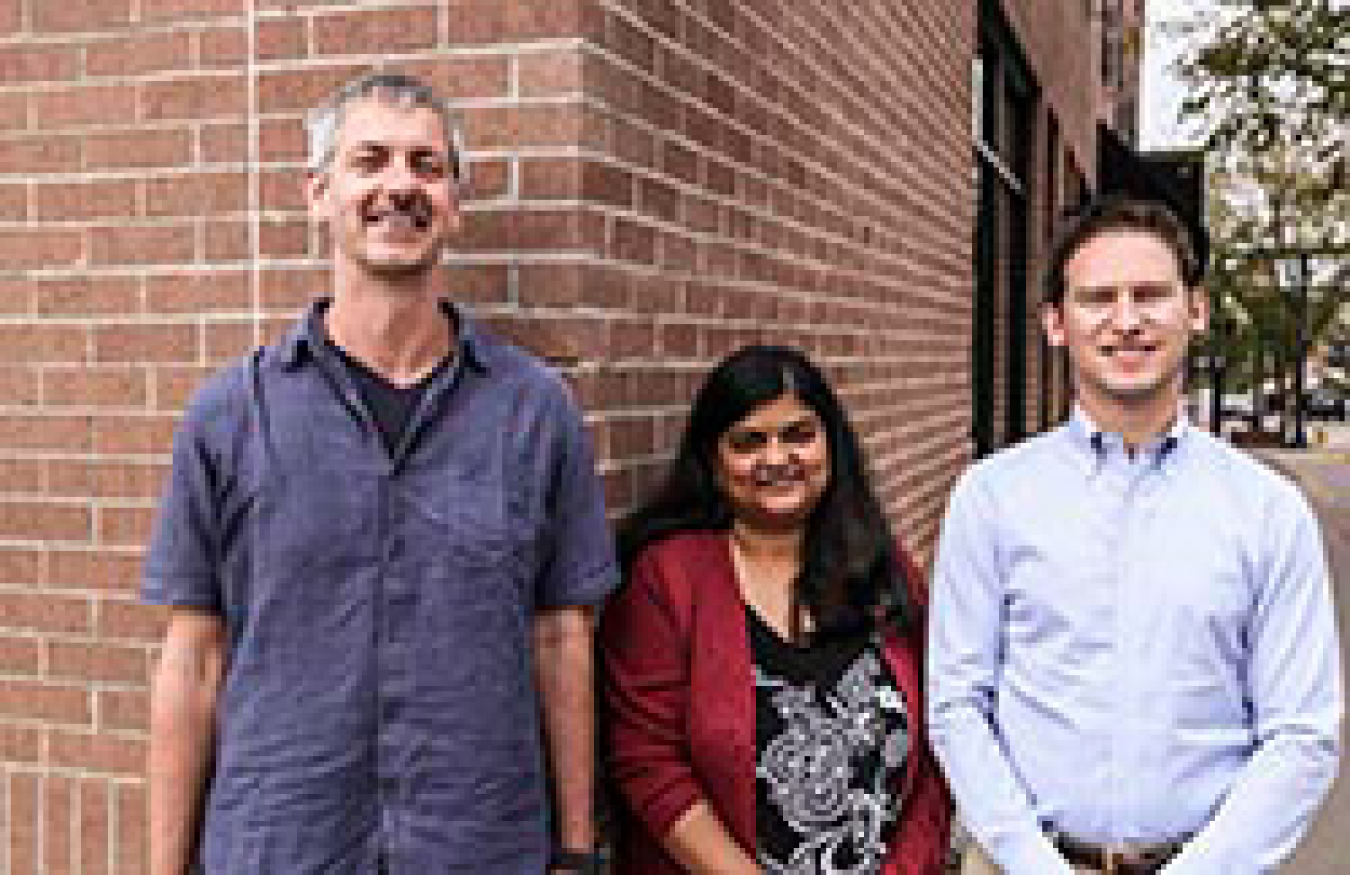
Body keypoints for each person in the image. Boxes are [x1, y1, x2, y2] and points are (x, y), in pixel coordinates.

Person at [144, 73, 617, 874]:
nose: (400, 184)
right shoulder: (229, 414)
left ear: (455, 204)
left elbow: (561, 635)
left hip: (479, 844)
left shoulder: (536, 411)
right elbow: (192, 658)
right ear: (319, 194)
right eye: (370, 161)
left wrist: (574, 849)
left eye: (426, 166)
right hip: (280, 845)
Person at [927, 195, 1343, 874]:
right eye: (1098, 298)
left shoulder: (1267, 510)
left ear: (1196, 311)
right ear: (1055, 323)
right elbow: (958, 702)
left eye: (1150, 294)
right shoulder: (992, 498)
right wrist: (1033, 862)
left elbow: (1302, 733)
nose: (1126, 321)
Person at [601, 345, 951, 874]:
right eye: (748, 442)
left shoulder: (885, 568)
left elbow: (941, 736)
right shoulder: (669, 577)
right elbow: (647, 762)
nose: (776, 459)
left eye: (798, 435)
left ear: (831, 445)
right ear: (713, 461)